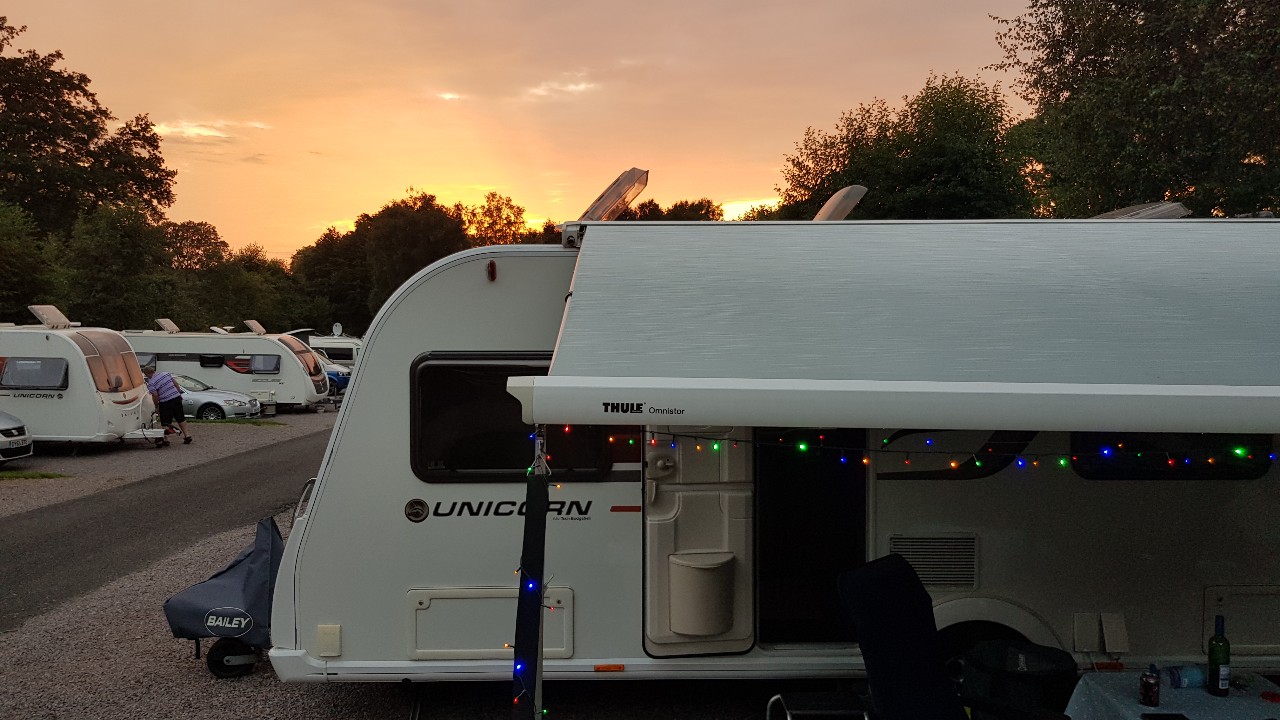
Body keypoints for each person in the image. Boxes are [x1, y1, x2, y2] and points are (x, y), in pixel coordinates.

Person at [143, 365, 193, 446]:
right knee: (180, 417)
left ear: (147, 374)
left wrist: (156, 406)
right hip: (176, 398)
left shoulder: (151, 383)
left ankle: (166, 440)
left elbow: (155, 395)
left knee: (165, 421)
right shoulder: (166, 374)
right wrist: (178, 394)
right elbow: (176, 384)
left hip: (165, 402)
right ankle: (187, 436)